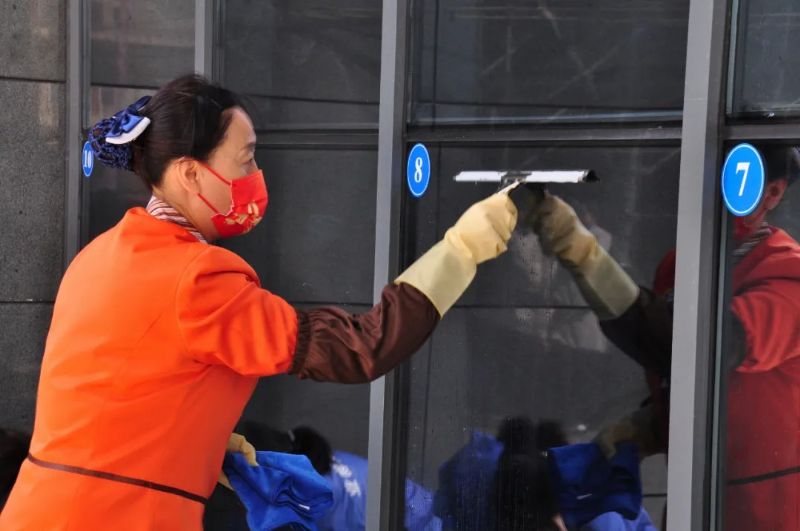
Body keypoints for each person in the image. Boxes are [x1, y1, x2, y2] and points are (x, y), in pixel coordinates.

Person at [0, 74, 518, 530]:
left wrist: (198, 439)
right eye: (246, 158)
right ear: (191, 173)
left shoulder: (102, 254)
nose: (255, 173)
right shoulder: (197, 278)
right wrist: (461, 250)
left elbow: (114, 387)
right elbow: (361, 348)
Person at [527, 144, 800, 530]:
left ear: (772, 193)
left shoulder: (787, 274)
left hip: (771, 513)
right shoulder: (682, 264)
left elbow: (699, 350)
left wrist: (582, 252)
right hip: (699, 501)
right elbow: (697, 381)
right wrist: (650, 425)